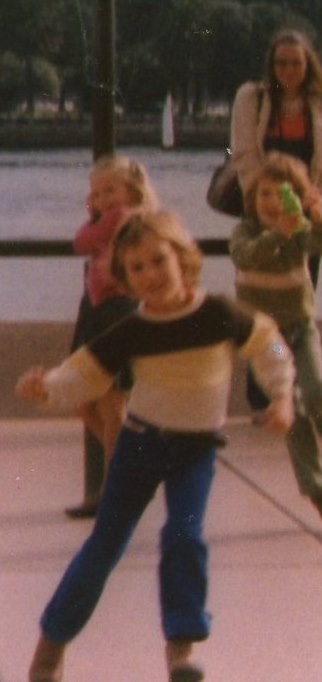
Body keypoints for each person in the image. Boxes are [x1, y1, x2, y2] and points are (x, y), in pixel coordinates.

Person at [17, 210, 295, 682]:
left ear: (183, 258)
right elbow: (83, 373)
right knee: (105, 546)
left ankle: (181, 648)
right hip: (141, 445)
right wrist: (46, 389)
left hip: (195, 451)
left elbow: (269, 343)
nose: (150, 274)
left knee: (184, 536)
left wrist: (283, 394)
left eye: (158, 261)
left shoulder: (219, 313)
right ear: (125, 279)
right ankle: (50, 649)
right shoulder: (133, 330)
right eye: (137, 268)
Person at [230, 152, 322, 531]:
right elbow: (248, 256)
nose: (272, 203)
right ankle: (318, 488)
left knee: (317, 387)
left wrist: (316, 216)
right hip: (266, 340)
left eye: (282, 195)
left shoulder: (299, 228)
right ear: (253, 198)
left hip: (300, 327)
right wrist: (279, 232)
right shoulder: (245, 232)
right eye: (265, 195)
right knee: (293, 411)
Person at [230, 28, 322, 421]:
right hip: (261, 207)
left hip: (301, 209)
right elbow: (243, 151)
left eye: (296, 62)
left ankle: (289, 395)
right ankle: (262, 399)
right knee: (259, 305)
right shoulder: (252, 97)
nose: (289, 70)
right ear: (271, 65)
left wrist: (314, 201)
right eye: (282, 62)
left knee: (296, 304)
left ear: (308, 64)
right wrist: (264, 202)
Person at [66, 154, 159, 519]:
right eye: (96, 192)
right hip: (97, 311)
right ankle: (130, 468)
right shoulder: (115, 217)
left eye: (110, 190)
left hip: (115, 312)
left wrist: (95, 215)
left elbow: (82, 241)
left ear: (131, 190)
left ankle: (115, 491)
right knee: (84, 399)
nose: (103, 199)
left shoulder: (121, 217)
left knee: (111, 403)